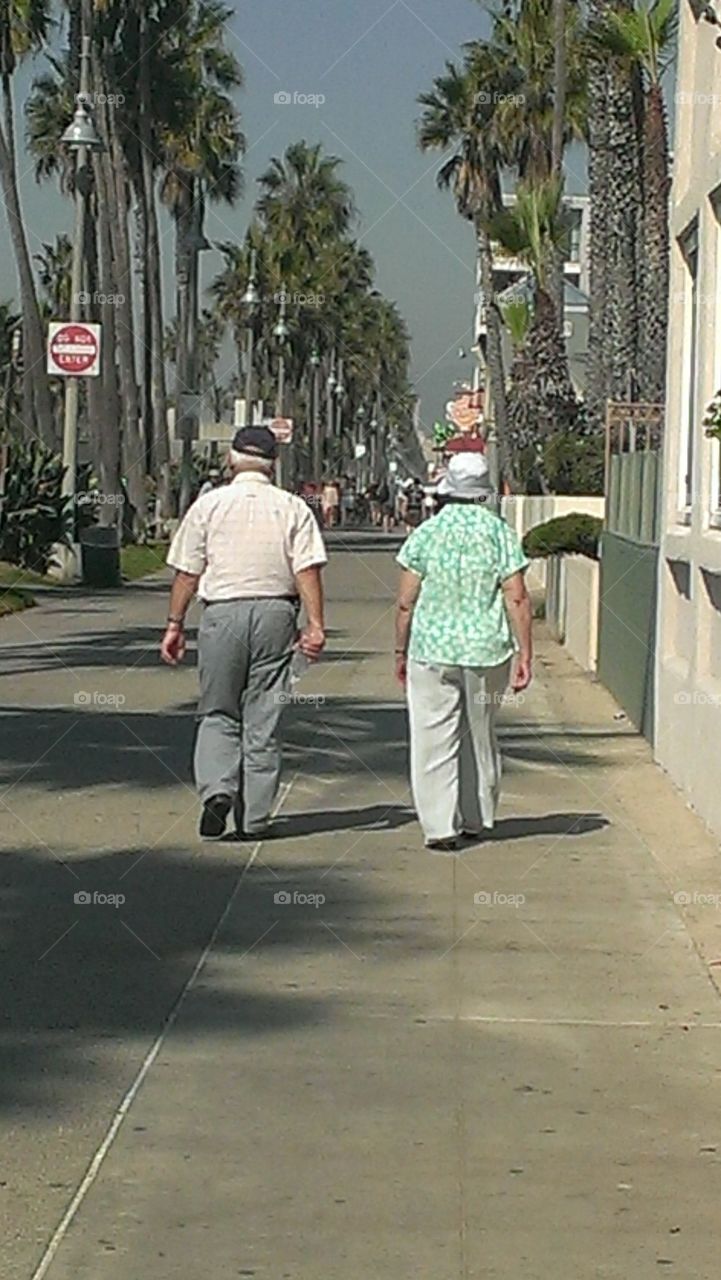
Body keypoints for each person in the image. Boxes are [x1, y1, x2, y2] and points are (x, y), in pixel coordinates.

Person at [160, 425, 328, 841]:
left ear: (232, 460)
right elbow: (306, 569)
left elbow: (187, 572)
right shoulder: (292, 508)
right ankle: (253, 818)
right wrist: (316, 624)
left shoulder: (208, 506)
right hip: (275, 613)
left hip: (222, 613)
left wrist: (175, 623)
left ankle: (218, 789)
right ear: (274, 463)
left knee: (218, 711)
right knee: (263, 716)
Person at [394, 453, 532, 852]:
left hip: (431, 649)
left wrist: (399, 651)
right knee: (480, 731)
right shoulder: (500, 533)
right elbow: (517, 597)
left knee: (432, 735)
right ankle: (476, 816)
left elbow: (406, 601)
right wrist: (525, 653)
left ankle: (439, 826)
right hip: (486, 650)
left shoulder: (425, 534)